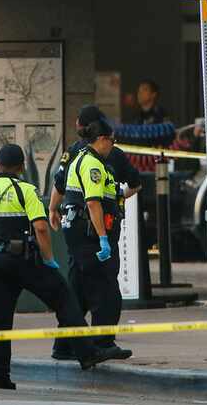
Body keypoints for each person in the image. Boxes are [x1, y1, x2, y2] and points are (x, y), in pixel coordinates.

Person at [0, 144, 110, 390]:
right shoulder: (26, 190)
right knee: (63, 298)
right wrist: (49, 259)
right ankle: (87, 353)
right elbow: (41, 228)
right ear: (21, 167)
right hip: (24, 261)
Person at [49, 105, 141, 360]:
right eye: (111, 140)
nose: (113, 144)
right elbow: (93, 201)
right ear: (102, 137)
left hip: (78, 233)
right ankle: (102, 343)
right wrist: (103, 237)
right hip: (94, 232)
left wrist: (53, 209)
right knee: (106, 290)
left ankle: (66, 345)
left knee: (77, 288)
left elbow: (59, 185)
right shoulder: (95, 160)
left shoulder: (75, 154)